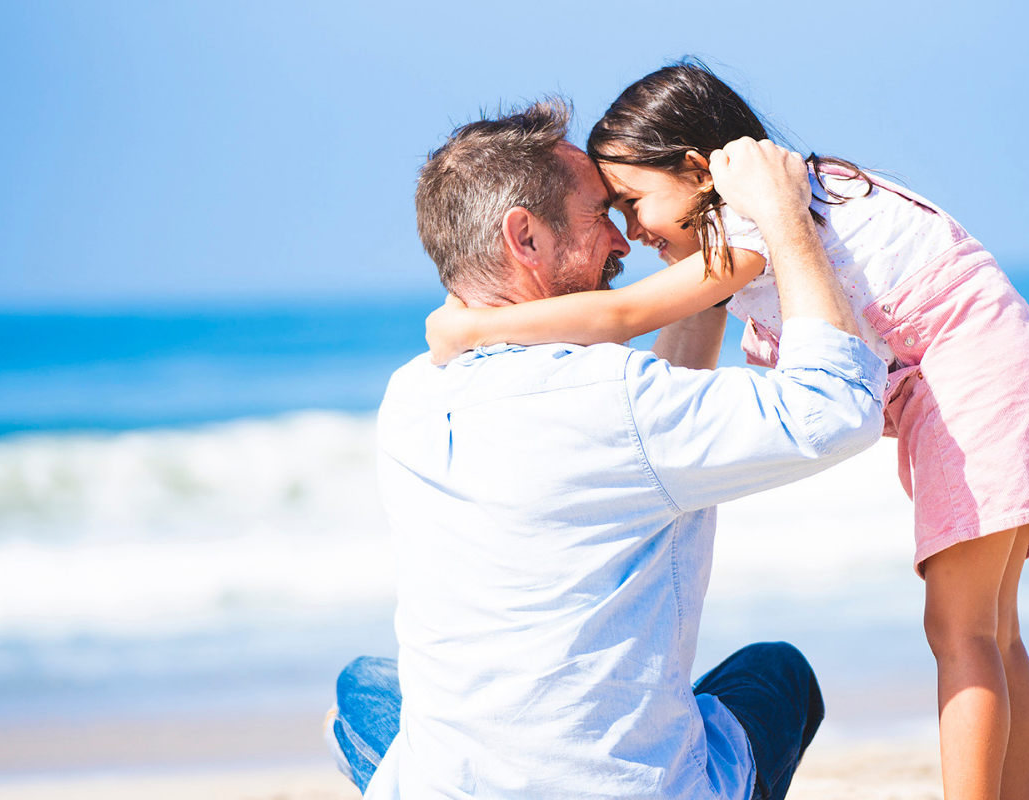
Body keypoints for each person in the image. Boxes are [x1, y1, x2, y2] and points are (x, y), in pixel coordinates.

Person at [424, 62, 1029, 800]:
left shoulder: (754, 220)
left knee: (961, 634)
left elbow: (624, 317)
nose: (632, 232)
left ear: (700, 170)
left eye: (634, 201)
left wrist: (478, 328)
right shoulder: (778, 203)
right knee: (992, 633)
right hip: (993, 367)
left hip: (975, 378)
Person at [329, 100, 888, 800]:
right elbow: (835, 407)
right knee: (777, 674)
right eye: (600, 214)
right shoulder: (612, 396)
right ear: (524, 238)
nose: (624, 241)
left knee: (364, 691)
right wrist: (781, 219)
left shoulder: (408, 397)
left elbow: (642, 431)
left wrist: (699, 274)